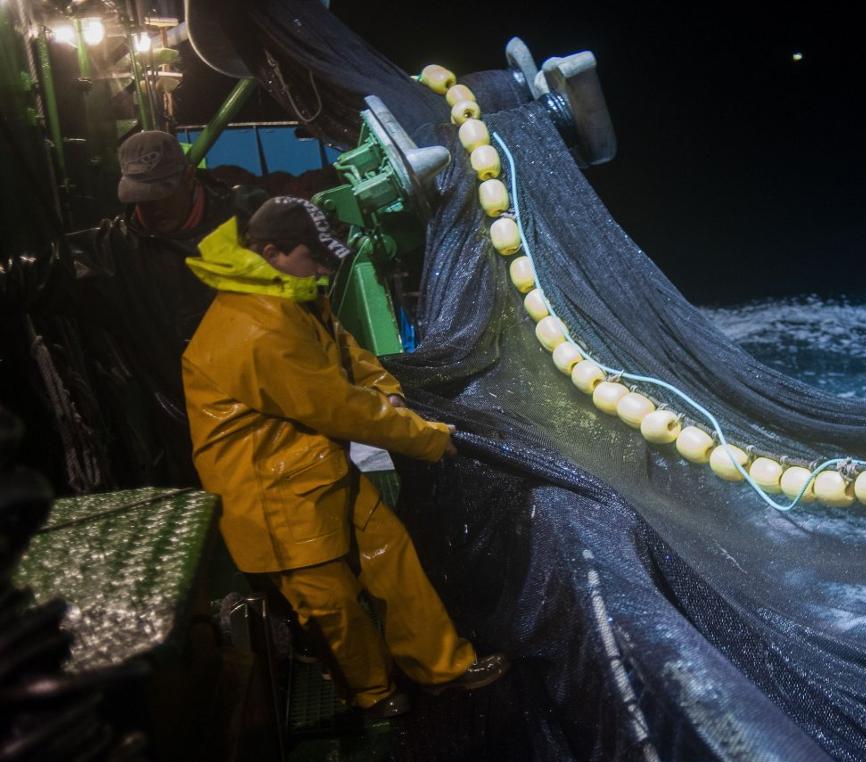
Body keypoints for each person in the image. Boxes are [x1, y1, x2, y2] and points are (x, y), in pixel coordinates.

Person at [181, 196, 508, 716]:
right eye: (315, 256)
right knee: (330, 604)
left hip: (316, 465)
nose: (325, 268)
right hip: (271, 490)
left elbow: (341, 348)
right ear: (273, 251)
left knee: (391, 555)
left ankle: (442, 666)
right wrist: (426, 438)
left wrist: (385, 385)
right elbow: (336, 407)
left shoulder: (290, 292)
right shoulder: (256, 328)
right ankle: (372, 695)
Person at [0, 130, 265, 489]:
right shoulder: (112, 254)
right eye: (141, 197)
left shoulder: (253, 221)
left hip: (272, 419)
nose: (152, 208)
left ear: (188, 176)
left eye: (162, 194)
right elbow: (24, 276)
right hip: (189, 436)